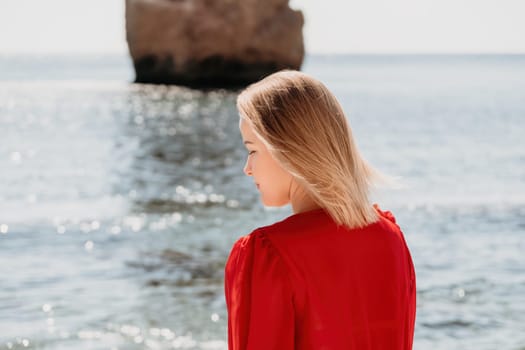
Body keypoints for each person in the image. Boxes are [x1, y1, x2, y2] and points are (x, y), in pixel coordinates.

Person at [224, 70, 416, 350]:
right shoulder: (391, 240)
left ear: (286, 150)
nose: (247, 168)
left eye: (252, 150)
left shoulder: (269, 255)